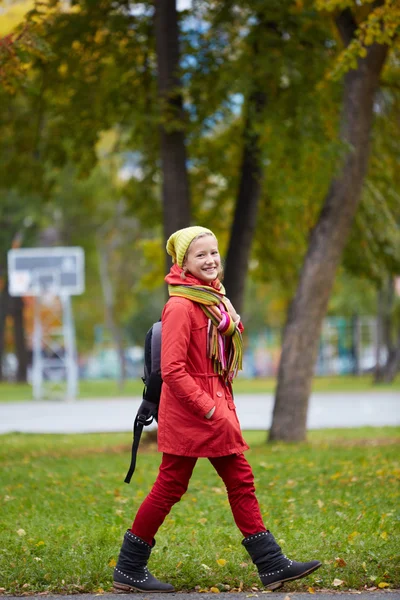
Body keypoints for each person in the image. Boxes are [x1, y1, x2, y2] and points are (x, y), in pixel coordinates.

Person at [113, 226, 321, 593]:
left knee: (233, 481)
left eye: (214, 253)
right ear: (184, 263)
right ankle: (130, 568)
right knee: (171, 486)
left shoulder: (214, 301)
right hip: (195, 412)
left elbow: (221, 352)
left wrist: (233, 325)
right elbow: (173, 369)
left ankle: (271, 565)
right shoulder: (180, 305)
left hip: (213, 407)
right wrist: (209, 409)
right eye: (201, 255)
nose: (210, 261)